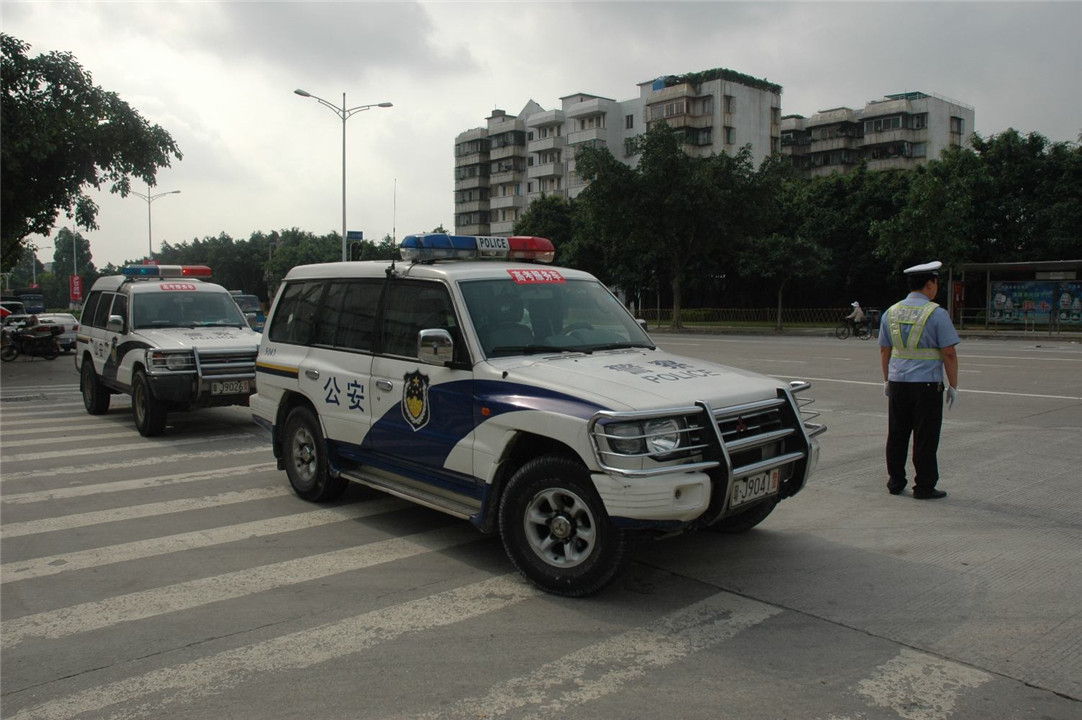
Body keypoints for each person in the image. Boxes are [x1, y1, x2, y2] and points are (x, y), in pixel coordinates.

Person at [879, 261, 960, 499]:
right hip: (926, 385)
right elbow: (949, 353)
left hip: (897, 383)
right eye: (935, 283)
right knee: (925, 436)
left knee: (897, 433)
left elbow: (885, 350)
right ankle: (924, 486)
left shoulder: (890, 312)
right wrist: (954, 385)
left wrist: (887, 380)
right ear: (929, 284)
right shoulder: (937, 313)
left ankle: (895, 481)